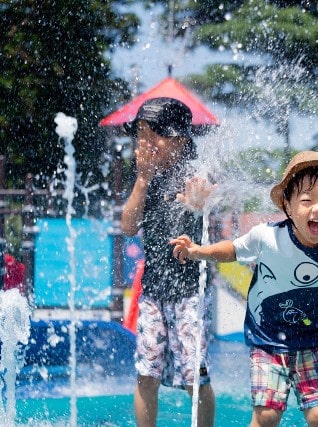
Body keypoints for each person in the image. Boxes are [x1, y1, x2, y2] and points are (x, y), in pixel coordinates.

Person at [170, 151, 318, 427]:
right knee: (267, 416)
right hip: (267, 339)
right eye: (307, 200)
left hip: (314, 342)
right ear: (288, 206)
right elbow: (233, 249)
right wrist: (200, 251)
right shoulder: (267, 237)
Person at [121, 97, 215, 426]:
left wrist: (199, 204)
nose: (146, 144)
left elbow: (206, 216)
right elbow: (128, 225)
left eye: (153, 135)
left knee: (195, 377)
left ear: (180, 138)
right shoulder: (145, 179)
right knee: (146, 375)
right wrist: (142, 179)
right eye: (141, 136)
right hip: (152, 294)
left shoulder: (196, 175)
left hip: (191, 292)